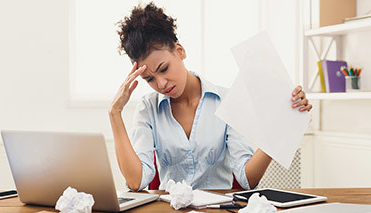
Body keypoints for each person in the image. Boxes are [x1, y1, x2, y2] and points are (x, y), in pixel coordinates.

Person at [109, 2, 312, 191]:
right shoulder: (148, 108)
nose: (161, 84)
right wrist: (115, 113)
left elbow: (247, 179)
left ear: (179, 51)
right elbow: (136, 182)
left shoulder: (225, 100)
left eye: (164, 69)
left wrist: (282, 123)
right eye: (149, 79)